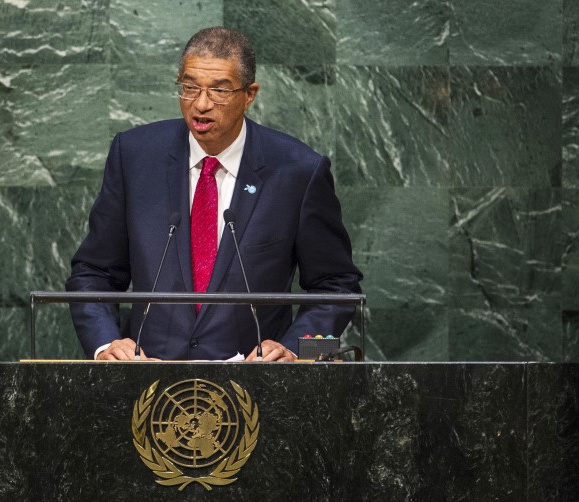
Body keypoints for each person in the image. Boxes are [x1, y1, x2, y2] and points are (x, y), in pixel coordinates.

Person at [65, 27, 362, 362]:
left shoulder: (299, 171)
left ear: (250, 94)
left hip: (260, 392)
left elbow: (341, 291)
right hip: (148, 388)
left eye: (219, 91)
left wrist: (299, 351)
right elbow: (93, 272)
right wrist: (105, 346)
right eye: (189, 88)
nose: (201, 104)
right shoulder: (134, 155)